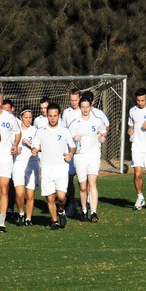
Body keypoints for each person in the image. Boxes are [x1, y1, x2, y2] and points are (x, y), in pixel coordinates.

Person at [31, 102, 76, 230]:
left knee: (61, 197)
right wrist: (34, 150)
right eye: (50, 115)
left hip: (61, 169)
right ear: (47, 116)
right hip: (46, 170)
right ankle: (55, 221)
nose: (52, 118)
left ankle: (61, 210)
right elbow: (35, 146)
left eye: (55, 115)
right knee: (50, 197)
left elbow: (73, 146)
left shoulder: (65, 131)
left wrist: (70, 154)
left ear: (59, 115)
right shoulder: (41, 131)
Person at [0, 92, 21, 232]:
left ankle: (1, 222)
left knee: (3, 190)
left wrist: (15, 144)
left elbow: (17, 133)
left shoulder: (10, 118)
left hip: (5, 159)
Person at [70, 97, 107, 222]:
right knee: (82, 186)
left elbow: (103, 132)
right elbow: (69, 139)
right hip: (80, 156)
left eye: (87, 106)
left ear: (91, 106)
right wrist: (74, 138)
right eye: (83, 107)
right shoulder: (75, 123)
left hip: (93, 154)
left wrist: (103, 137)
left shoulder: (97, 120)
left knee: (92, 183)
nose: (85, 109)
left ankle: (93, 212)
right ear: (80, 108)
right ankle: (84, 210)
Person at [12, 108, 40, 226]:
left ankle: (28, 218)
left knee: (30, 194)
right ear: (21, 117)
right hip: (18, 163)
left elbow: (41, 147)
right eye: (26, 117)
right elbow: (10, 145)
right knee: (19, 194)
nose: (28, 120)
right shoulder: (16, 131)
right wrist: (15, 149)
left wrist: (30, 144)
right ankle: (21, 214)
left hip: (32, 163)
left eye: (30, 117)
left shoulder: (36, 131)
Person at [62, 88, 82, 216]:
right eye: (71, 100)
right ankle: (72, 202)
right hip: (69, 151)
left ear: (80, 98)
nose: (73, 102)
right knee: (68, 179)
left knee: (82, 180)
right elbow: (63, 129)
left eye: (75, 100)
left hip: (83, 152)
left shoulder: (85, 111)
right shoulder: (66, 112)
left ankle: (86, 205)